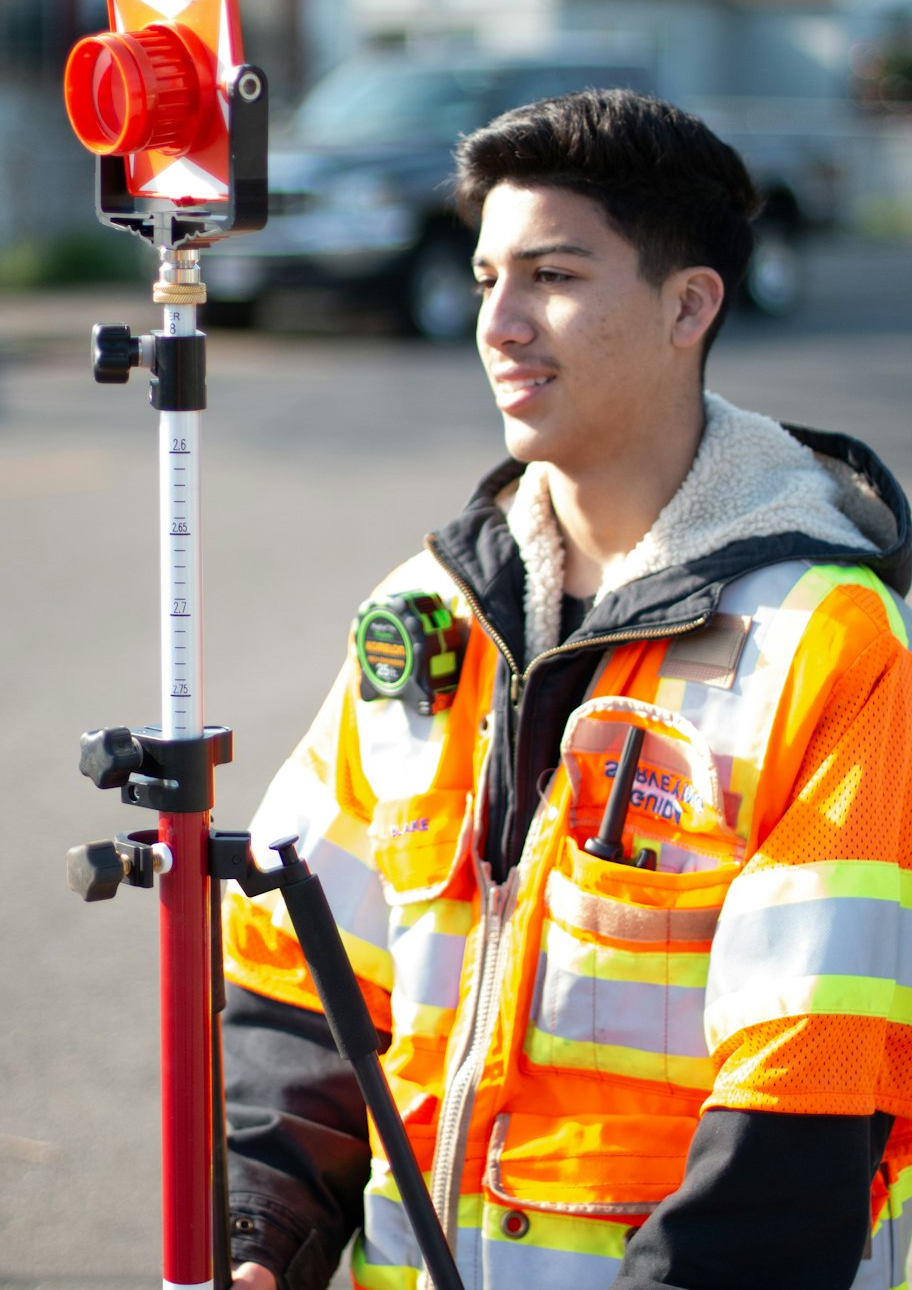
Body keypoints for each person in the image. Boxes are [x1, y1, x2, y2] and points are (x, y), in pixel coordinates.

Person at [220, 88, 912, 1290]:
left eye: (553, 275)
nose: (498, 322)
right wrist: (257, 1244)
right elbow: (302, 979)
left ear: (689, 304)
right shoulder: (427, 614)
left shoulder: (832, 641)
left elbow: (808, 1093)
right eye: (487, 274)